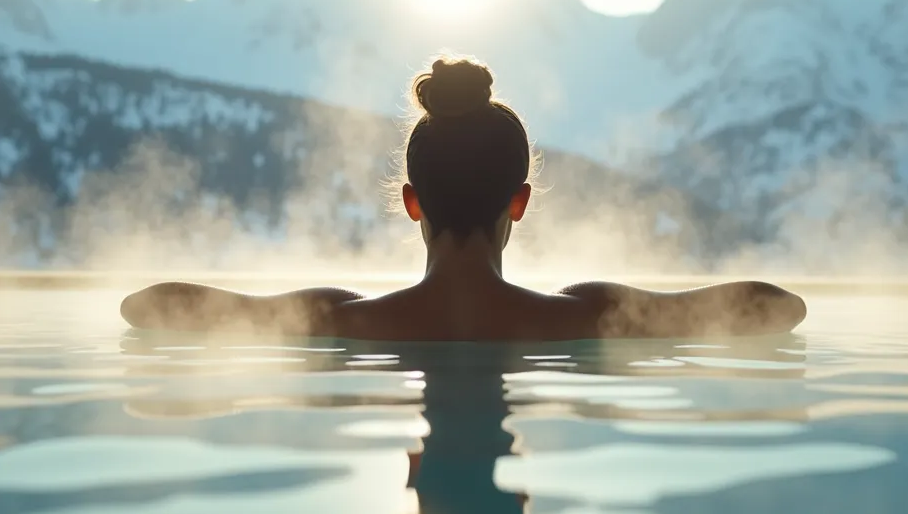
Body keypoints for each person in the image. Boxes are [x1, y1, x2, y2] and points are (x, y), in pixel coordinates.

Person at [120, 56, 806, 340]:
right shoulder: (588, 318)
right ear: (521, 201)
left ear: (412, 202)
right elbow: (781, 308)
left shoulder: (343, 323)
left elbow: (145, 307)